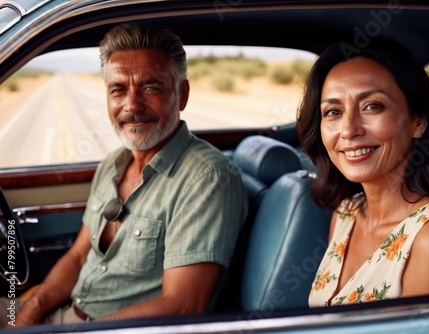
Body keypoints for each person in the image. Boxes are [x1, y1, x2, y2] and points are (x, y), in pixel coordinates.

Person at [3, 23, 247, 326]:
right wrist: (31, 307)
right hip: (63, 315)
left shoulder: (207, 178)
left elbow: (184, 306)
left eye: (150, 87)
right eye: (118, 89)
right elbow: (79, 256)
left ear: (181, 94)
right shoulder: (112, 165)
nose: (131, 105)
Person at [296, 39, 429, 307]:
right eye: (333, 111)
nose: (349, 130)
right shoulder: (346, 213)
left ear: (417, 121)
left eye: (373, 106)